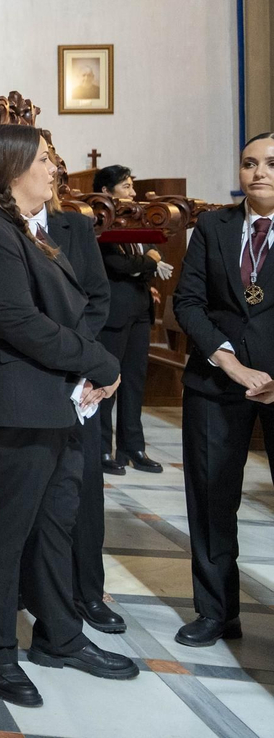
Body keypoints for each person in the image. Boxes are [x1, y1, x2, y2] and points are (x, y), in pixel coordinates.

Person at [0, 124, 136, 708]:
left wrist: (84, 368)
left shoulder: (20, 228)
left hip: (50, 405)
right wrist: (99, 361)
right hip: (8, 410)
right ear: (12, 166)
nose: (55, 169)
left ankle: (59, 636)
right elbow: (19, 323)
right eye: (45, 160)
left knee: (54, 527)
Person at [170, 132, 274, 648]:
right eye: (249, 163)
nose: (259, 172)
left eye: (272, 163)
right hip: (216, 381)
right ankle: (216, 612)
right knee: (212, 500)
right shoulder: (212, 226)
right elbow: (187, 302)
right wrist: (229, 362)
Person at [38, 191, 128, 635]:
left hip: (79, 375)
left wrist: (78, 355)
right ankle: (30, 587)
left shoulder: (74, 226)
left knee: (85, 487)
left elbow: (96, 296)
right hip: (25, 373)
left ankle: (88, 591)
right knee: (28, 491)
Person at [92, 164, 171, 474]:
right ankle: (101, 450)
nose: (132, 192)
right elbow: (117, 264)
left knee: (134, 383)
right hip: (113, 313)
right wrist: (148, 263)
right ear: (107, 193)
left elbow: (151, 250)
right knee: (107, 382)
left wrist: (146, 262)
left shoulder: (135, 218)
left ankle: (132, 447)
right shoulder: (101, 223)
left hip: (139, 309)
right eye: (126, 186)